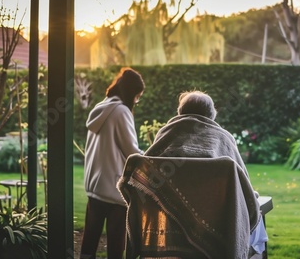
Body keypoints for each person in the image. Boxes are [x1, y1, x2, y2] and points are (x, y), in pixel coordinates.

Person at [122, 90, 265, 258]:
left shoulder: (166, 134)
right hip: (214, 228)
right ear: (211, 115)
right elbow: (242, 185)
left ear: (180, 112)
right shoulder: (223, 138)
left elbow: (146, 179)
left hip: (170, 230)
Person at [80, 67, 145, 259]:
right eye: (137, 96)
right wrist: (150, 157)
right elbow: (132, 152)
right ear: (132, 93)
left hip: (95, 186)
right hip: (114, 189)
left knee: (89, 240)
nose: (137, 101)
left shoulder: (100, 108)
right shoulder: (121, 112)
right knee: (116, 244)